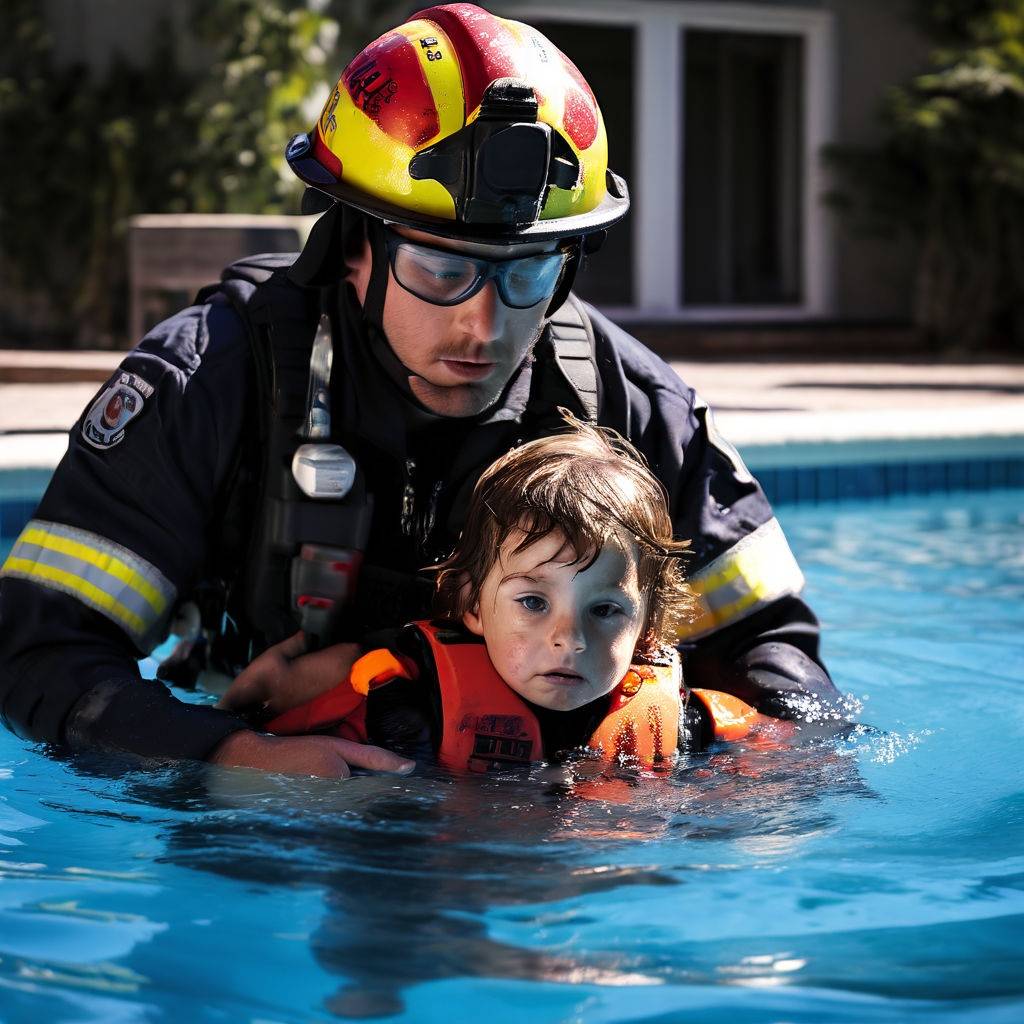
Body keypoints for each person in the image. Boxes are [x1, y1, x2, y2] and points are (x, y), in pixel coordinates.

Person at [0, 3, 842, 779]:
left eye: (528, 274)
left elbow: (785, 666)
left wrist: (696, 721)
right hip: (266, 820)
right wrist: (227, 759)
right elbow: (40, 655)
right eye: (441, 270)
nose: (484, 326)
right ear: (352, 247)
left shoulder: (635, 406)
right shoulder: (209, 382)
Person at [263, 418, 791, 773]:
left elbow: (802, 759)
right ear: (472, 605)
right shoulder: (401, 710)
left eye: (605, 610)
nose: (569, 639)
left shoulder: (687, 722)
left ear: (648, 628)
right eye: (534, 602)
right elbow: (264, 753)